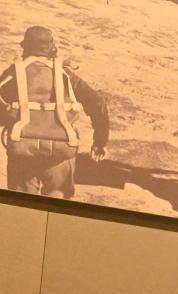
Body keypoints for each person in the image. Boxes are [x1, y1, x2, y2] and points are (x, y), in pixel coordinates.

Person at [0, 26, 109, 197]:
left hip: (23, 152)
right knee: (56, 204)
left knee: (23, 205)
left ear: (25, 46)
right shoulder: (65, 74)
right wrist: (99, 142)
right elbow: (98, 102)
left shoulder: (14, 73)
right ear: (52, 47)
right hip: (60, 153)